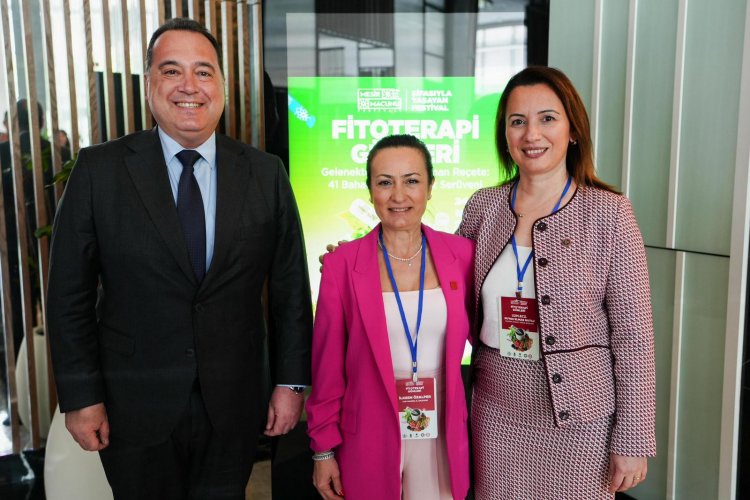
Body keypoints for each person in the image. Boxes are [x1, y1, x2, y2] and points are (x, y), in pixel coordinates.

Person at [46, 18, 313, 499]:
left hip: (233, 404)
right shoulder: (99, 171)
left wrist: (291, 384)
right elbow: (69, 295)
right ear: (149, 83)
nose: (189, 86)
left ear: (222, 86)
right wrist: (81, 396)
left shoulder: (265, 174)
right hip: (133, 406)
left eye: (203, 72)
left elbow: (291, 290)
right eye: (171, 71)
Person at [457, 66, 656, 499]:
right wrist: (360, 260)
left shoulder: (610, 213)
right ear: (505, 136)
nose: (532, 134)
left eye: (547, 118)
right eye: (518, 121)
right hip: (497, 412)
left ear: (573, 130)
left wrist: (633, 438)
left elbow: (634, 337)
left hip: (581, 421)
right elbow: (439, 279)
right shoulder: (483, 208)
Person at [306, 134, 474, 500]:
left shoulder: (462, 255)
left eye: (411, 181)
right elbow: (327, 368)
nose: (398, 196)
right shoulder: (341, 264)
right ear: (370, 191)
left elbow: (487, 337)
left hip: (441, 431)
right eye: (385, 183)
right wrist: (323, 449)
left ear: (430, 187)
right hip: (367, 431)